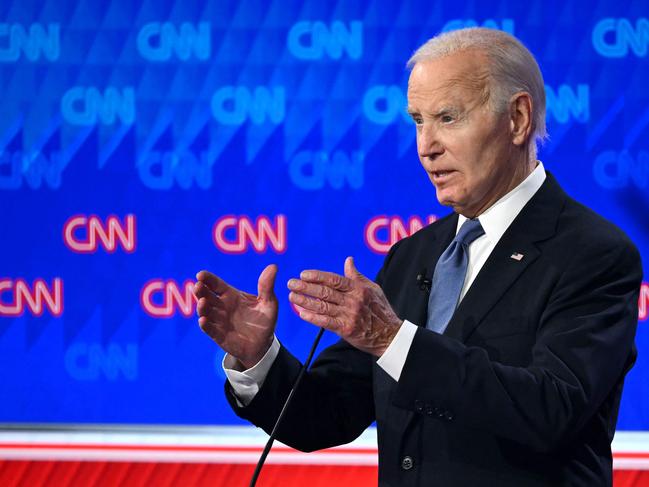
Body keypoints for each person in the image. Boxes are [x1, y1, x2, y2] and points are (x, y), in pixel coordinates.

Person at [193, 27, 642, 486]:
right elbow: (329, 413)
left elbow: (550, 409)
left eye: (448, 118)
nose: (426, 146)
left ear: (518, 119)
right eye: (418, 120)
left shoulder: (592, 253)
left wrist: (392, 338)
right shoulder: (414, 254)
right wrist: (258, 360)